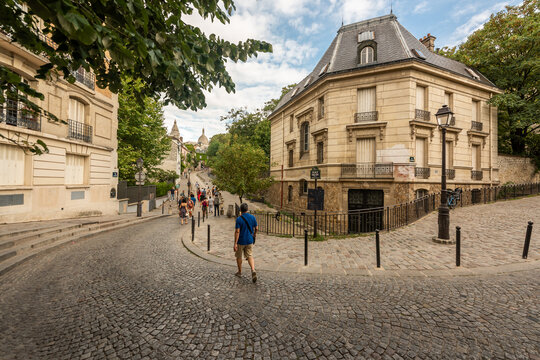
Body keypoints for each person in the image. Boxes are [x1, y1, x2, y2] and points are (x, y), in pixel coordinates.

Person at [234, 203, 258, 283]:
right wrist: (254, 234)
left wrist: (235, 243)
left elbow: (237, 231)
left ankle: (240, 272)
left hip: (241, 241)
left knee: (239, 256)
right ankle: (253, 270)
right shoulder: (252, 217)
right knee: (249, 255)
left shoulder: (239, 219)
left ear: (240, 210)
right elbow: (256, 228)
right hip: (249, 240)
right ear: (247, 209)